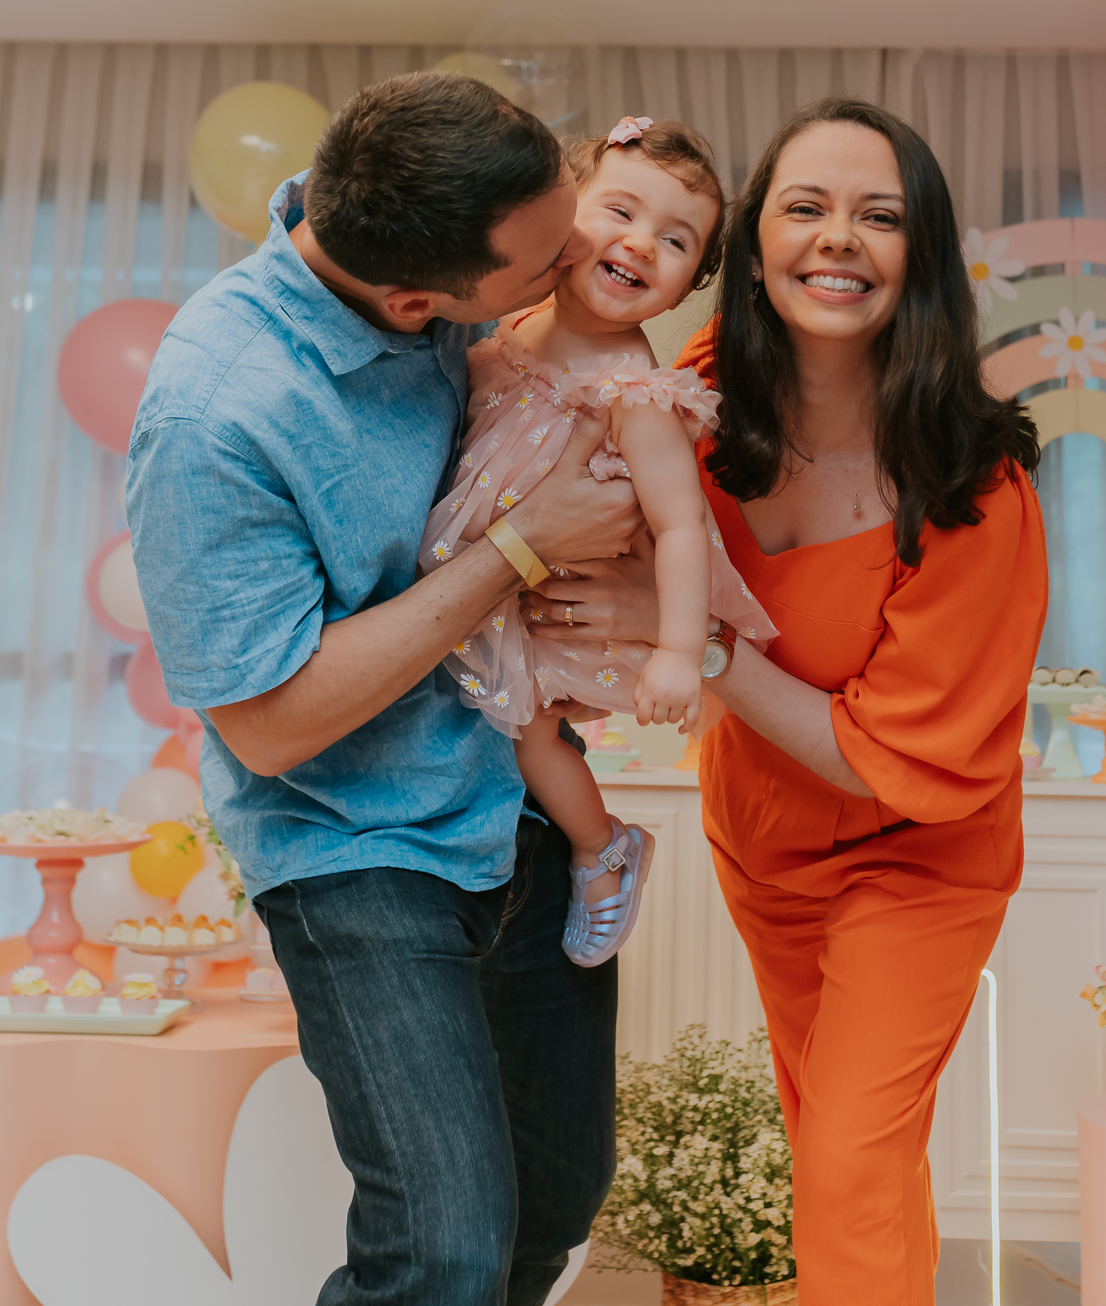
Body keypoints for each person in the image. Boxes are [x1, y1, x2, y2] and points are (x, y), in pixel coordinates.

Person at [126, 71, 645, 1306]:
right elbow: (269, 721)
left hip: (517, 808)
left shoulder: (444, 246)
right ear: (422, 301)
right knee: (444, 1250)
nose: (574, 260)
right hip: (356, 844)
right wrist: (520, 550)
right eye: (539, 267)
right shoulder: (215, 413)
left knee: (555, 1201)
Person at [524, 97, 1048, 1304]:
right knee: (841, 1149)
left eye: (880, 216)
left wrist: (693, 644)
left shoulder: (976, 475)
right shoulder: (696, 396)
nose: (838, 239)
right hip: (766, 845)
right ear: (751, 245)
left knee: (852, 1163)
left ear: (923, 257)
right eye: (805, 209)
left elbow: (883, 757)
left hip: (919, 857)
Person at [421, 117, 775, 968]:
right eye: (620, 211)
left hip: (542, 600)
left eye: (676, 239)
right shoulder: (502, 329)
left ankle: (601, 846)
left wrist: (679, 652)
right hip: (479, 573)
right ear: (565, 217)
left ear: (696, 276)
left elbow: (683, 523)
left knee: (533, 734)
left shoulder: (636, 391)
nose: (640, 243)